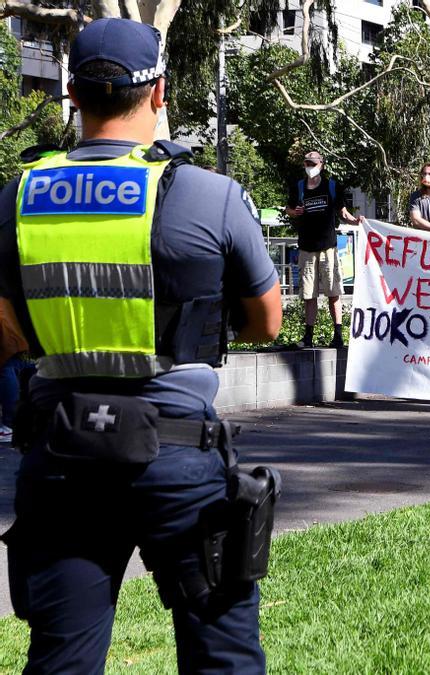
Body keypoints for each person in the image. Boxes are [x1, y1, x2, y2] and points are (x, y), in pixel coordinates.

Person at [0, 18, 282, 672]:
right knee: (223, 657)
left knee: (61, 660)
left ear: (73, 95)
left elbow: (5, 334)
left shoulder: (17, 198)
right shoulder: (210, 196)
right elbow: (268, 321)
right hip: (178, 458)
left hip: (63, 455)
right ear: (159, 93)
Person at [285, 150, 362, 348]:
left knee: (333, 292)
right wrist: (295, 212)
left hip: (328, 247)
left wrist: (355, 221)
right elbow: (289, 209)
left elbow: (343, 212)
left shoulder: (332, 186)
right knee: (308, 295)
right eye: (307, 162)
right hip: (306, 248)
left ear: (322, 164)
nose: (310, 166)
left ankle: (338, 336)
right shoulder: (299, 187)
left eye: (313, 162)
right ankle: (308, 337)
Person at [0, 299, 34, 444]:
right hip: (30, 340)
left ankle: (9, 425)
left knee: (6, 370)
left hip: (13, 344)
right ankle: (31, 423)